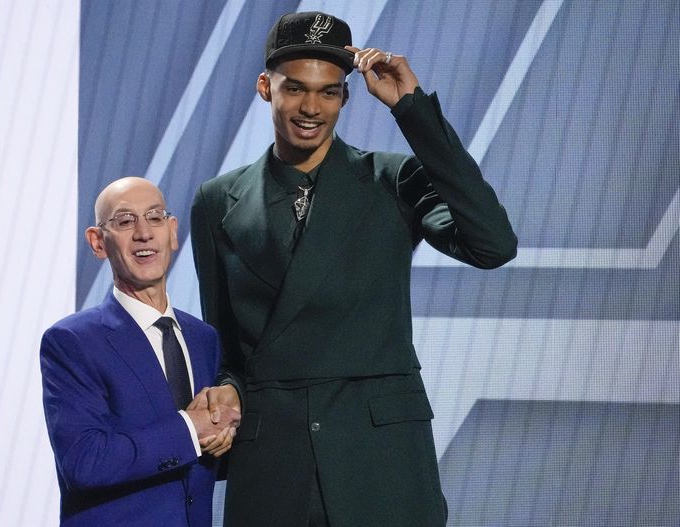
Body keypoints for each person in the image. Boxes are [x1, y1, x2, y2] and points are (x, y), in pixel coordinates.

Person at [190, 11, 517, 527]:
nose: (311, 108)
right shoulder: (216, 201)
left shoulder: (393, 178)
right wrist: (226, 389)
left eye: (328, 92)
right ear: (265, 87)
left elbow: (492, 245)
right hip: (274, 462)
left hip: (379, 458)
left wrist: (411, 110)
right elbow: (227, 347)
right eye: (295, 89)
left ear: (345, 97)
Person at [40, 177, 240, 526]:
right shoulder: (72, 341)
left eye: (154, 217)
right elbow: (84, 462)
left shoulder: (203, 338)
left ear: (172, 232)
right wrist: (190, 430)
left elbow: (206, 450)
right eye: (125, 221)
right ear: (98, 242)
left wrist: (224, 432)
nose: (144, 233)